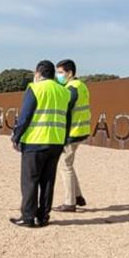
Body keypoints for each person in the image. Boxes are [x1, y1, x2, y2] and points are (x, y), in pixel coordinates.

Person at [10, 60, 76, 228]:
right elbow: (68, 119)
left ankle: (28, 217)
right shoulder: (64, 92)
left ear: (38, 73)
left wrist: (16, 136)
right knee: (48, 181)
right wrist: (64, 139)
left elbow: (25, 116)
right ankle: (43, 216)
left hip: (35, 141)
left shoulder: (35, 88)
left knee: (30, 180)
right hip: (56, 141)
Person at [53, 59, 90, 212]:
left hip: (71, 132)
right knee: (69, 164)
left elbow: (65, 110)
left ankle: (70, 203)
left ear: (70, 73)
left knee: (65, 166)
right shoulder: (81, 86)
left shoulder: (71, 89)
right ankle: (78, 197)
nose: (58, 75)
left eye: (61, 72)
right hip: (81, 130)